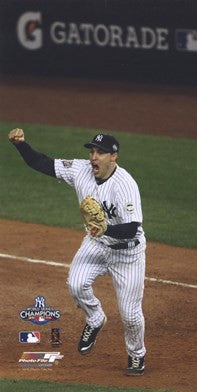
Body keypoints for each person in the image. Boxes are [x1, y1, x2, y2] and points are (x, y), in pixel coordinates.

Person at [8, 128, 147, 376]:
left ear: (114, 156)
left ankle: (137, 355)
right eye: (93, 151)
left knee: (130, 315)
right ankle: (95, 319)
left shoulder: (125, 184)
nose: (94, 156)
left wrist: (104, 228)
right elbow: (42, 163)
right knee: (76, 283)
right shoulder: (80, 170)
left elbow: (133, 229)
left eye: (101, 153)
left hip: (128, 253)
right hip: (96, 243)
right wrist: (21, 145)